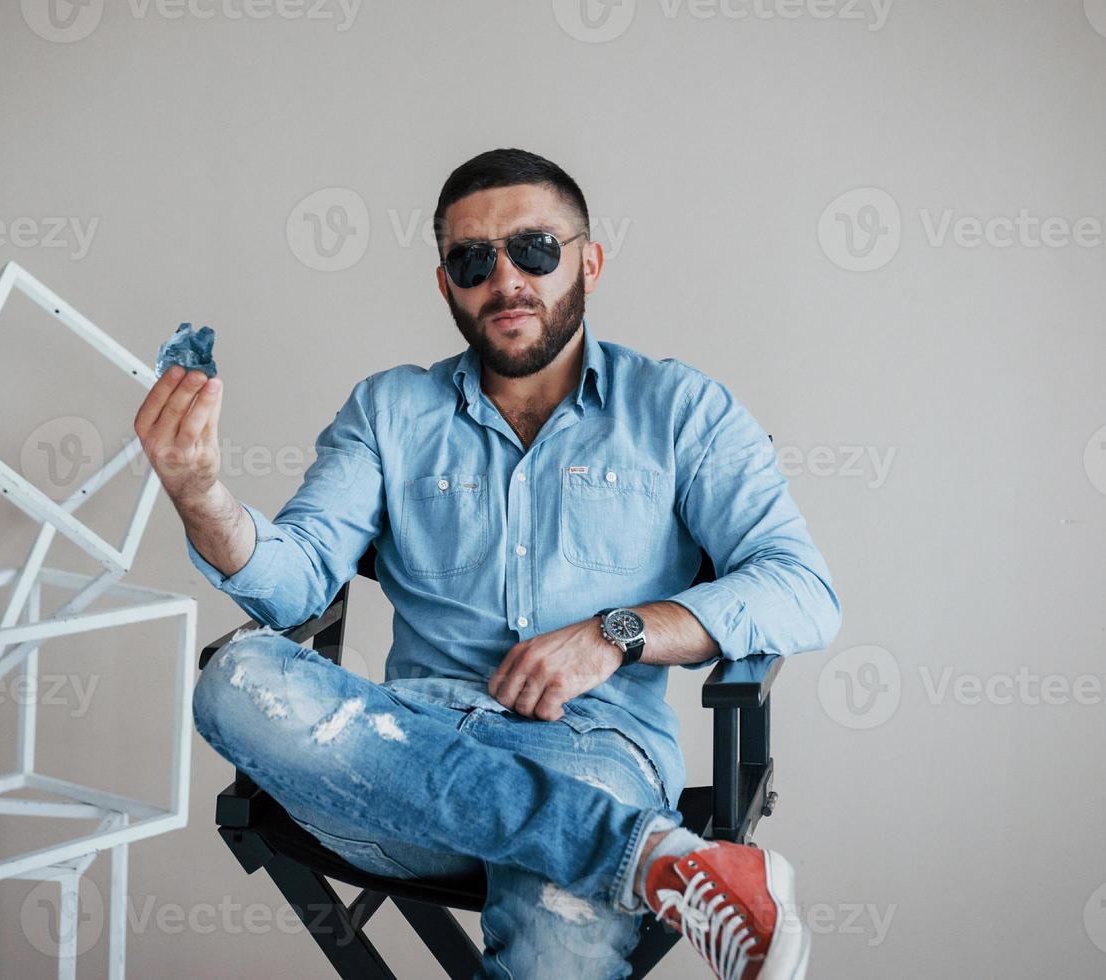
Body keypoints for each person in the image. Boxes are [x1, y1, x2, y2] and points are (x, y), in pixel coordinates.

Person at [133, 147, 841, 979]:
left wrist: (618, 632)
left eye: (535, 248)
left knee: (554, 930)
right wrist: (201, 496)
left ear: (591, 260)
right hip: (403, 753)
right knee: (237, 676)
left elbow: (801, 588)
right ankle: (651, 859)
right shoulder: (389, 409)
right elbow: (297, 578)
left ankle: (609, 844)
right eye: (473, 259)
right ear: (446, 285)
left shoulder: (680, 411)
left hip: (594, 751)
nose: (505, 279)